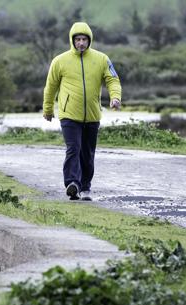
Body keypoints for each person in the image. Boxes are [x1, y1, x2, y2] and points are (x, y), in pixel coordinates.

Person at [43, 22, 122, 201]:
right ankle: (72, 184)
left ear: (89, 40)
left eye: (84, 39)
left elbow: (113, 80)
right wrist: (48, 109)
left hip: (92, 114)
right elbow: (50, 87)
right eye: (77, 39)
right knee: (73, 148)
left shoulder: (101, 59)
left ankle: (85, 187)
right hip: (69, 115)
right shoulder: (60, 61)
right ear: (72, 40)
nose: (80, 43)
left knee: (87, 153)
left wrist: (115, 97)